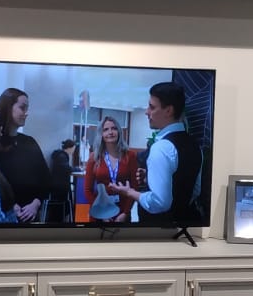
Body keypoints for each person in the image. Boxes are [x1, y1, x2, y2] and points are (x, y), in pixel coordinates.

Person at [108, 81, 203, 227]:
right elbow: (194, 191)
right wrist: (151, 178)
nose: (147, 112)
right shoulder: (195, 145)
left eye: (152, 107)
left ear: (168, 111)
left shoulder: (161, 148)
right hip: (183, 227)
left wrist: (129, 192)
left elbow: (159, 203)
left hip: (157, 230)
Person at [0, 87, 52, 223]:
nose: (26, 113)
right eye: (22, 108)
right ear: (8, 107)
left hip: (31, 216)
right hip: (3, 217)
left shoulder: (29, 142)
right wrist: (10, 205)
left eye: (27, 108)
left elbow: (46, 178)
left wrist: (36, 203)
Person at [83, 117, 140, 219]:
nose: (110, 132)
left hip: (123, 211)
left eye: (114, 128)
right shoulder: (94, 157)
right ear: (101, 134)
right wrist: (101, 213)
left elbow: (134, 186)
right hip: (100, 212)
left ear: (119, 132)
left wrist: (125, 212)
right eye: (106, 129)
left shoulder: (130, 156)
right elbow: (88, 190)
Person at [47, 138, 77, 223]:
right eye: (73, 149)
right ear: (70, 148)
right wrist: (76, 169)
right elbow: (66, 169)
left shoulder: (60, 155)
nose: (73, 151)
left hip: (56, 186)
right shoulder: (62, 156)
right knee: (64, 204)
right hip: (60, 187)